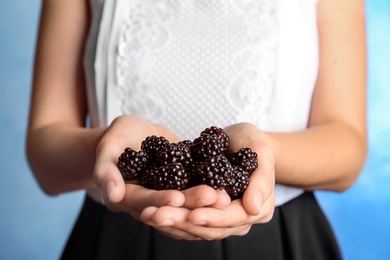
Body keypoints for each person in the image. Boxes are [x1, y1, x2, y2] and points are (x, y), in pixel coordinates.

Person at [26, 0, 367, 259]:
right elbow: (45, 156)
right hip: (116, 239)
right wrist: (109, 146)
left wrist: (263, 154)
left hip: (277, 238)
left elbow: (347, 151)